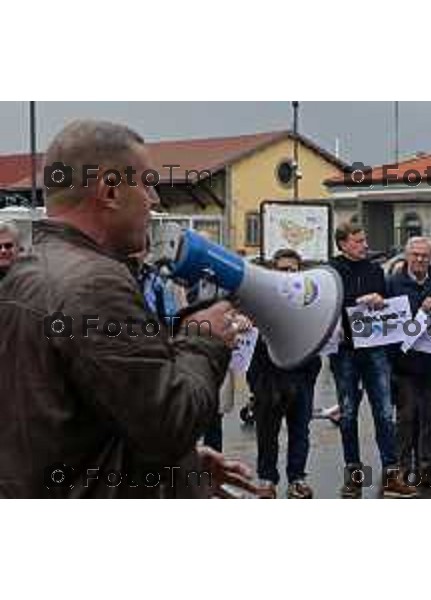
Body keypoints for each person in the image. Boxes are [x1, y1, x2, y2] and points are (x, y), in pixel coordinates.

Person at [0, 120, 257, 498]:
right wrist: (205, 338)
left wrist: (181, 470)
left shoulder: (28, 271)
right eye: (147, 183)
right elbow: (169, 425)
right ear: (110, 191)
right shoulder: (96, 285)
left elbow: (74, 421)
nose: (154, 200)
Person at [329, 223, 415, 498]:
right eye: (357, 241)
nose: (364, 246)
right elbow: (325, 306)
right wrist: (357, 301)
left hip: (374, 349)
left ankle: (392, 474)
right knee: (348, 414)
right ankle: (354, 476)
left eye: (364, 240)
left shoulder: (375, 270)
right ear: (342, 244)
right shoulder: (331, 272)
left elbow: (387, 307)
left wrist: (381, 300)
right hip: (344, 352)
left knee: (383, 414)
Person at [246, 249, 321, 499]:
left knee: (300, 431)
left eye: (293, 269)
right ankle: (267, 479)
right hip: (268, 376)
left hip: (301, 375)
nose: (289, 273)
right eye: (283, 269)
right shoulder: (260, 298)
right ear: (273, 271)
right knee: (267, 432)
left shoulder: (312, 300)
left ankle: (297, 479)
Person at [387, 237, 431, 486]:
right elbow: (382, 319)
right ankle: (404, 470)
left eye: (424, 256)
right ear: (406, 256)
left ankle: (428, 468)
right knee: (405, 420)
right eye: (415, 255)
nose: (419, 259)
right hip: (403, 366)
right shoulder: (393, 283)